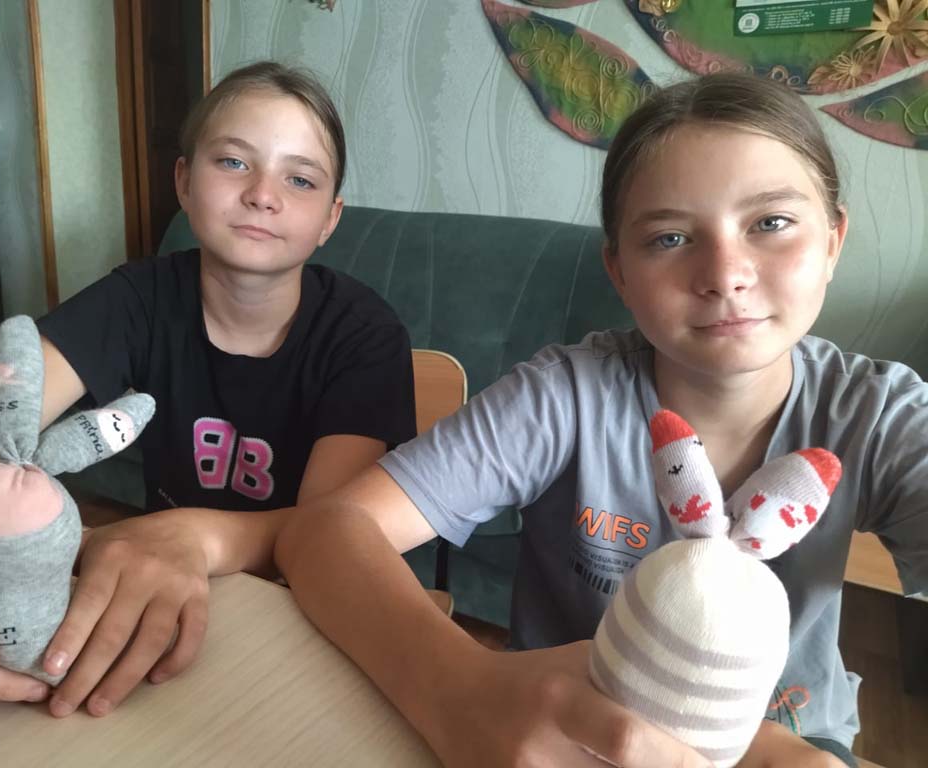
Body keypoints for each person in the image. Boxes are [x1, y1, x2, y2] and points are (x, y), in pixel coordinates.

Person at [257, 73, 927, 767]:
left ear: (833, 241)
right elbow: (327, 531)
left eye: (771, 223)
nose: (725, 274)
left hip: (799, 741)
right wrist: (457, 687)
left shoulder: (882, 415)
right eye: (670, 237)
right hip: (561, 738)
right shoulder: (566, 397)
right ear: (620, 271)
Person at [0, 61, 415, 718]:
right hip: (156, 597)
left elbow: (332, 533)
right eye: (233, 162)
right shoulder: (138, 300)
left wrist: (191, 534)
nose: (263, 194)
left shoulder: (364, 333)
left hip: (303, 617)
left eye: (300, 178)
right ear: (183, 181)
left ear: (330, 218)